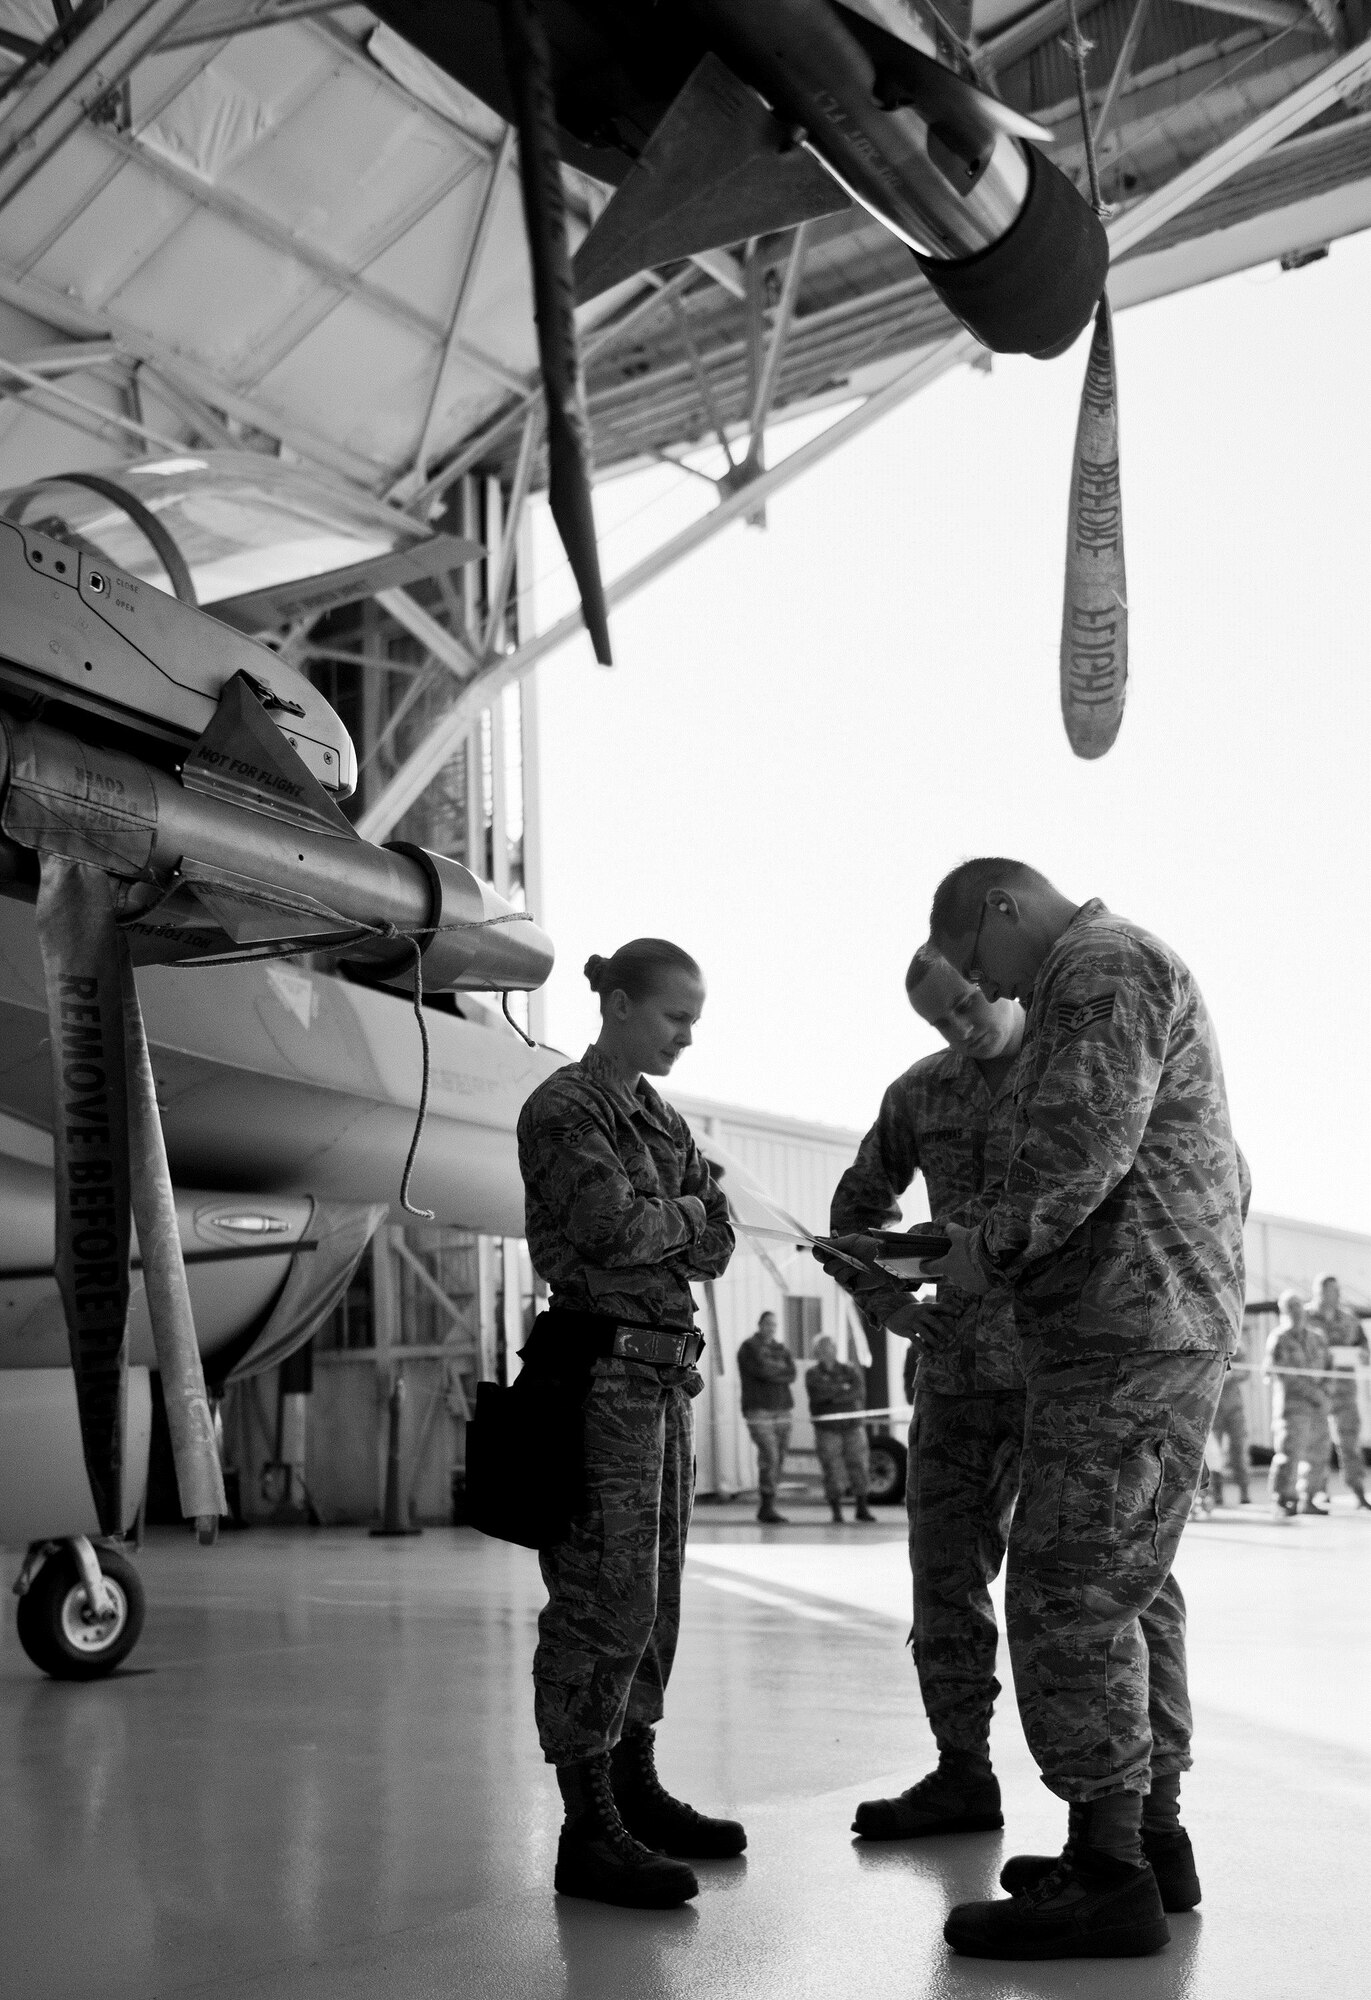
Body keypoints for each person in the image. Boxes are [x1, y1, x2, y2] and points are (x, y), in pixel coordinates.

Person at [927, 859, 1248, 1961]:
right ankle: (1142, 1840)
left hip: (1128, 1328)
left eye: (976, 960)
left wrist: (987, 1248)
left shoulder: (1100, 967)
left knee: (1070, 1589)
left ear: (1001, 908)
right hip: (1138, 1316)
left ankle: (1109, 1875)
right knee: (1122, 1585)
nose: (985, 984)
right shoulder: (1111, 968)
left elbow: (1086, 1142)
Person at [516, 937, 743, 1909]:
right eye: (673, 1015)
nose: (688, 1033)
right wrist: (686, 1209)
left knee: (653, 1597)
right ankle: (586, 1822)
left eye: (694, 1017)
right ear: (614, 1002)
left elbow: (719, 1241)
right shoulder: (567, 1107)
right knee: (599, 1598)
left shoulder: (657, 1116)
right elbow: (610, 1228)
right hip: (600, 1370)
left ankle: (634, 1783)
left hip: (661, 1378)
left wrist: (679, 1211)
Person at [822, 942, 1025, 1841]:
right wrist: (890, 1304)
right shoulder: (920, 1091)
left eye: (967, 1001)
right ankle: (961, 1774)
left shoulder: (1076, 1071)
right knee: (943, 1581)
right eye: (939, 1019)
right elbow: (850, 1219)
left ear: (999, 978)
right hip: (956, 1375)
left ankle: (1120, 1816)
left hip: (1066, 1376)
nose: (960, 1025)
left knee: (1085, 1594)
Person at [1305, 1272, 1371, 1511]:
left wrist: (1364, 1354)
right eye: (1333, 1290)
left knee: (1350, 1442)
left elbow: (1363, 1346)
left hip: (1345, 1391)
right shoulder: (1304, 1317)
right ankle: (1318, 1491)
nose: (1338, 1295)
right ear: (1319, 1292)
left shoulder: (1349, 1318)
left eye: (1338, 1290)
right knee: (1317, 1444)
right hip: (1318, 1390)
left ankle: (1358, 1491)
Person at [1263, 1290, 1330, 1518]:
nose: (1297, 1312)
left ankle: (1308, 1498)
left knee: (1319, 1453)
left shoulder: (1317, 1337)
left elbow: (1330, 1369)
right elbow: (1284, 1376)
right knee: (1289, 1454)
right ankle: (1283, 1498)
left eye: (1299, 1307)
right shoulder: (1279, 1339)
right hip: (1293, 1407)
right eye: (1291, 1308)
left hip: (1318, 1406)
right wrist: (1314, 1394)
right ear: (1284, 1312)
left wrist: (1325, 1393)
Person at [805, 1333, 876, 1524]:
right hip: (827, 1429)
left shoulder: (849, 1370)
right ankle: (836, 1511)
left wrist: (834, 1396)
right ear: (817, 1352)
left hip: (852, 1427)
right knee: (832, 1468)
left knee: (859, 1465)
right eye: (823, 1348)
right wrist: (842, 1390)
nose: (828, 1351)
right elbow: (819, 1395)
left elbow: (858, 1391)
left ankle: (862, 1508)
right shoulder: (812, 1374)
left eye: (830, 1347)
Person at [736, 1310, 797, 1523]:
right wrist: (776, 1371)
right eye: (768, 1324)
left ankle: (770, 1502)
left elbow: (792, 1373)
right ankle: (766, 1504)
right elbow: (761, 1370)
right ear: (760, 1324)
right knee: (769, 1455)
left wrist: (774, 1371)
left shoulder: (781, 1348)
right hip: (759, 1409)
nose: (771, 1328)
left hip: (782, 1408)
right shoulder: (749, 1347)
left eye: (774, 1324)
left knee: (779, 1457)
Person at [1210, 1335, 1252, 1506]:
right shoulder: (1209, 1342)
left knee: (1239, 1450)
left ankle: (1245, 1492)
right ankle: (1217, 1493)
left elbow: (1246, 1371)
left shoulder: (1236, 1344)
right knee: (1214, 1454)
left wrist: (1230, 1375)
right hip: (1214, 1408)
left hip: (1234, 1408)